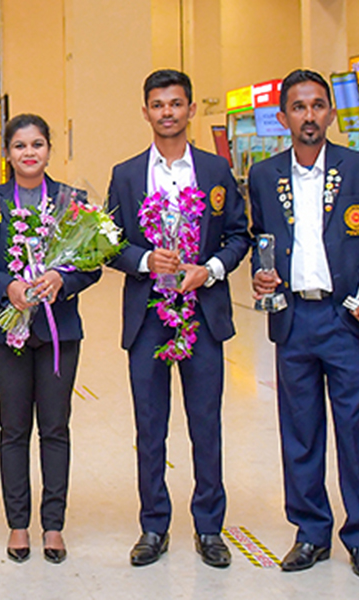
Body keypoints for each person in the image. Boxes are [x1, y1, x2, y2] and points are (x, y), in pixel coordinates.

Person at [249, 69, 359, 582]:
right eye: (298, 107)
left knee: (355, 431)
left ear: (330, 112)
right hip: (293, 321)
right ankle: (310, 533)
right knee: (300, 433)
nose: (309, 116)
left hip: (344, 318)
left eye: (317, 106)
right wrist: (261, 278)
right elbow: (258, 241)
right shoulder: (265, 176)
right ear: (282, 117)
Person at [107, 69, 249, 568]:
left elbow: (238, 236)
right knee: (151, 425)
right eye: (158, 104)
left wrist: (208, 270)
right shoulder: (126, 174)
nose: (167, 112)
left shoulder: (215, 172)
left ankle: (210, 527)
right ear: (145, 111)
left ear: (190, 110)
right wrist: (146, 261)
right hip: (148, 316)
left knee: (205, 423)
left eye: (176, 103)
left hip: (202, 314)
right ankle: (154, 525)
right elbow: (110, 243)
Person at [0, 114, 100, 564]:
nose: (29, 153)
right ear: (7, 152)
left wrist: (63, 278)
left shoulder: (70, 199)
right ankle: (18, 524)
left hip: (59, 328)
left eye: (37, 144)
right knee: (14, 428)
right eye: (19, 145)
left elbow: (92, 263)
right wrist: (7, 287)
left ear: (48, 149)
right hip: (5, 330)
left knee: (56, 427)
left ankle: (54, 525)